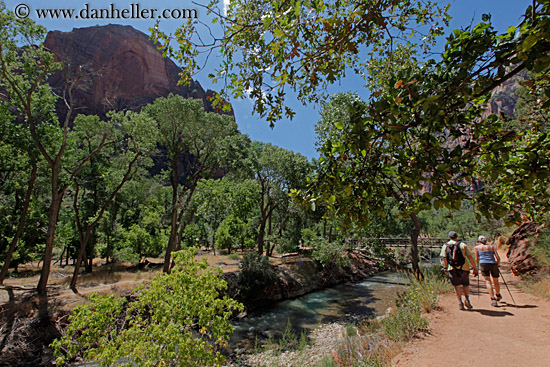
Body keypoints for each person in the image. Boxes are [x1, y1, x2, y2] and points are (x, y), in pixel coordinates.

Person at [441, 231, 478, 310]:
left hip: (452, 268)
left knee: (456, 285)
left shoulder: (445, 246)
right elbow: (470, 257)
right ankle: (467, 299)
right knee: (465, 284)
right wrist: (475, 267)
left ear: (449, 237)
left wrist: (445, 268)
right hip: (464, 268)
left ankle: (460, 302)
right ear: (456, 237)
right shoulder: (462, 245)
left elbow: (445, 259)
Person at [474, 235, 502, 307]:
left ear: (479, 241)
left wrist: (477, 266)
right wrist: (498, 265)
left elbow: (477, 259)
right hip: (493, 263)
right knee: (496, 280)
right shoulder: (491, 247)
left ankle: (493, 299)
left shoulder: (477, 248)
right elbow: (498, 258)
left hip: (483, 264)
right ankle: (498, 295)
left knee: (488, 281)